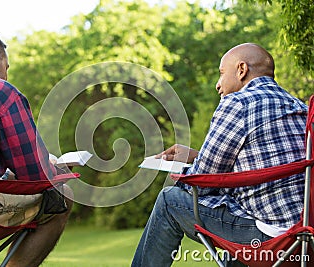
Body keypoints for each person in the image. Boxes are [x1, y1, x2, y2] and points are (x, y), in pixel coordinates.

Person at [132, 43, 308, 266]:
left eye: (221, 74)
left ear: (242, 70)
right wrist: (198, 156)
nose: (218, 84)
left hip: (272, 239)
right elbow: (264, 166)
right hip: (304, 236)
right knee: (237, 222)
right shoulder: (297, 105)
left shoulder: (238, 103)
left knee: (169, 201)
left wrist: (185, 172)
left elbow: (202, 182)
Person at [0, 30, 74, 267]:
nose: (6, 75)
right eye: (6, 67)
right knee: (63, 196)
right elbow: (35, 175)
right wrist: (56, 170)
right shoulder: (0, 91)